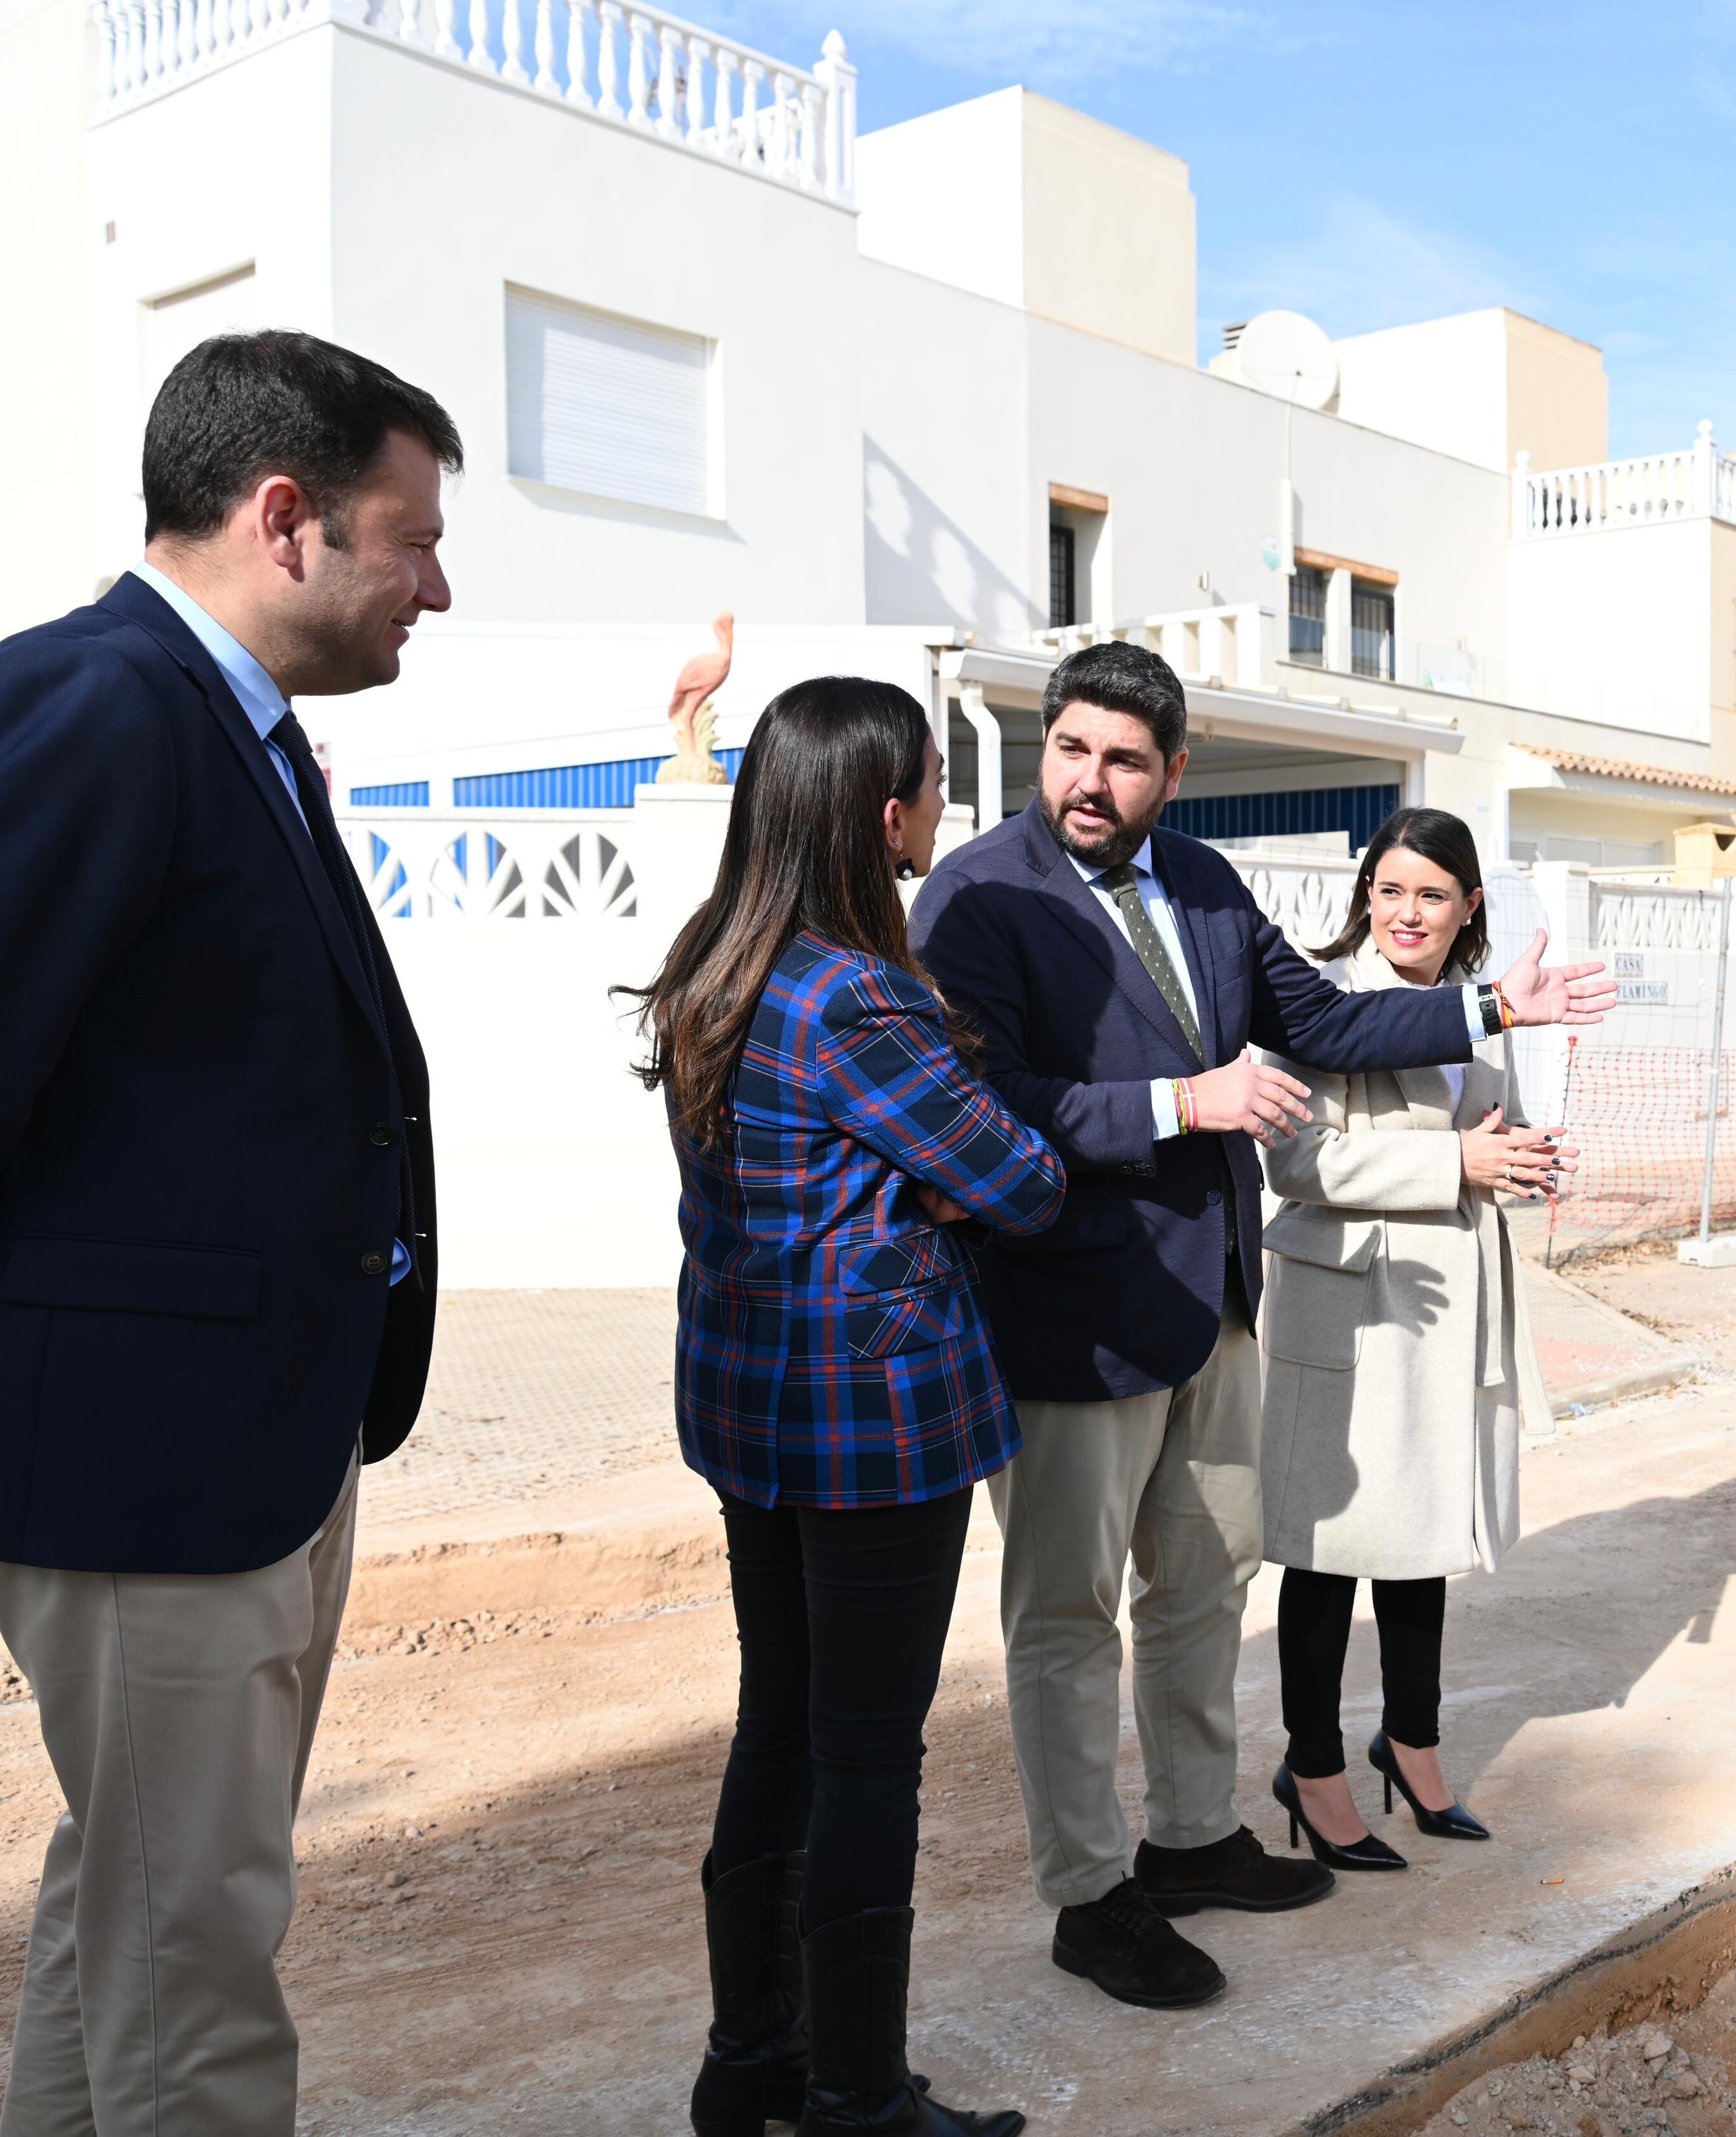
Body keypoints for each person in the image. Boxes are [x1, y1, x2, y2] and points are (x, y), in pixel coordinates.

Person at [908, 643, 1616, 2012]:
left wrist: (1491, 1003)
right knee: (1066, 1615)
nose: (1089, 780)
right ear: (1042, 745)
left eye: (1123, 758)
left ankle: (1188, 1836)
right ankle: (1089, 1892)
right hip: (1068, 1315)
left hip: (1211, 1307)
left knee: (1202, 1587)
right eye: (1069, 748)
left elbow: (1328, 1022)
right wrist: (1189, 1103)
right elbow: (987, 1107)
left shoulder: (1209, 883)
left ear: (1173, 773)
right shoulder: (976, 896)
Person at [0, 332, 451, 2137]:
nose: (435, 582)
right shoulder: (103, 699)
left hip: (244, 1446)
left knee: (132, 1910)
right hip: (147, 1465)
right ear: (288, 519)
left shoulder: (239, 730)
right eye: (410, 539)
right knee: (194, 1958)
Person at [626, 678, 1060, 2137]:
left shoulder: (718, 962)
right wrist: (942, 1181)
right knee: (866, 1755)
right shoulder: (859, 994)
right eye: (935, 783)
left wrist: (918, 1178)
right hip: (872, 1426)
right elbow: (1023, 1182)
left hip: (752, 1415)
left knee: (781, 1732)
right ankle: (858, 2096)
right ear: (886, 813)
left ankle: (750, 2061)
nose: (944, 808)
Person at [1256, 809, 1567, 1870]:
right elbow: (1293, 1162)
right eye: (1391, 889)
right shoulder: (1317, 993)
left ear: (1468, 907)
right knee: (1328, 1551)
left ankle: (1413, 1744)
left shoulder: (1480, 1014)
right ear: (1366, 894)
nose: (1407, 912)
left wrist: (1520, 1156)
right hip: (1347, 1315)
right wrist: (1456, 1170)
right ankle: (1312, 1764)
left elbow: (1486, 1139)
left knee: (1423, 1542)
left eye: (1432, 893)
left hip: (1446, 1314)